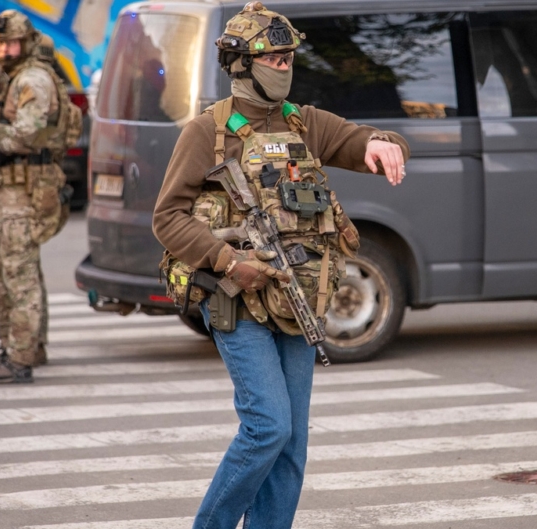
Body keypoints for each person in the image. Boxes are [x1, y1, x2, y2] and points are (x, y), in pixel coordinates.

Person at [151, 3, 409, 528]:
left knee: (292, 442)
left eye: (291, 56)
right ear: (242, 64)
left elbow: (361, 140)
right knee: (268, 426)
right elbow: (168, 218)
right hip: (234, 300)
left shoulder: (304, 123)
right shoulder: (208, 131)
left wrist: (384, 143)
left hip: (296, 298)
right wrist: (227, 259)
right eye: (275, 57)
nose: (286, 66)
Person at [0, 10, 78, 384]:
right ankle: (22, 343)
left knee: (18, 271)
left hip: (25, 186)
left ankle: (20, 356)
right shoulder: (10, 77)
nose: (5, 50)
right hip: (6, 187)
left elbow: (28, 133)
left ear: (26, 43)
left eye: (12, 43)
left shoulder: (32, 78)